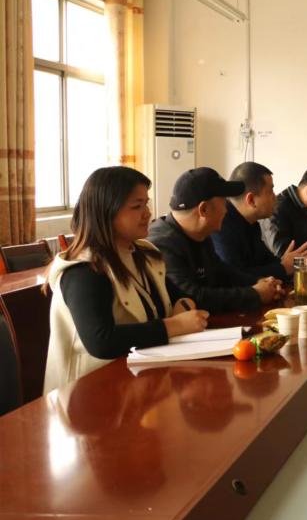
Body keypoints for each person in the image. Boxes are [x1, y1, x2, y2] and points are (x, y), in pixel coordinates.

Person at [43, 167, 209, 393]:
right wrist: (175, 325)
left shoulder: (144, 254)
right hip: (87, 394)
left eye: (146, 204)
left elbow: (178, 296)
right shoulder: (84, 270)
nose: (147, 213)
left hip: (140, 381)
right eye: (136, 206)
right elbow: (101, 341)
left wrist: (184, 305)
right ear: (106, 212)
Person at [149, 167, 283, 314]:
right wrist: (255, 294)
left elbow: (222, 271)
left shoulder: (200, 233)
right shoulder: (162, 243)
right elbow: (192, 295)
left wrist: (260, 282)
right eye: (224, 203)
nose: (227, 210)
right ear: (204, 210)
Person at [212, 162, 307, 280]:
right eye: (270, 191)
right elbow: (234, 277)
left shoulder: (252, 224)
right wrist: (283, 267)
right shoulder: (222, 225)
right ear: (251, 200)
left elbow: (267, 262)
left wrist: (284, 264)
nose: (275, 197)